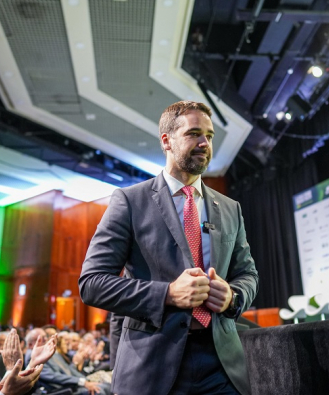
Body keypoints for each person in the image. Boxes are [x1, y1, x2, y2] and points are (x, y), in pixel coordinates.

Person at [79, 101, 259, 395]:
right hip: (152, 367)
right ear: (167, 140)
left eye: (210, 136)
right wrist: (168, 294)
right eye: (194, 134)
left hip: (222, 365)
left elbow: (248, 274)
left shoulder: (230, 208)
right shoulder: (129, 201)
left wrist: (233, 296)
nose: (204, 143)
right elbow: (92, 283)